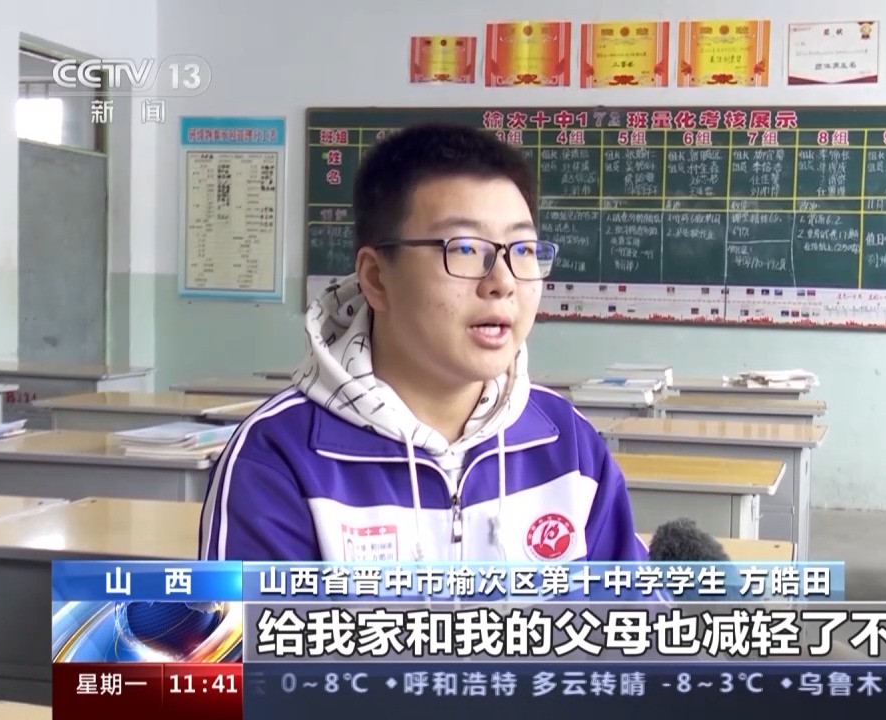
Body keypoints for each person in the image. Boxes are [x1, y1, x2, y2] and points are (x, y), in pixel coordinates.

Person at [198, 123, 649, 563]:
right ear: (377, 278)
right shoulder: (277, 456)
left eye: (524, 250)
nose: (503, 281)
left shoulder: (568, 443)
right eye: (465, 248)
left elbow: (630, 608)